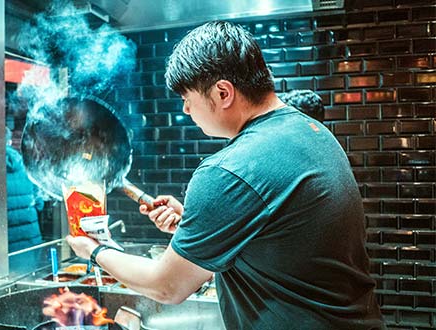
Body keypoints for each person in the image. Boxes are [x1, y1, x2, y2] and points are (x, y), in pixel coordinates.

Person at [66, 21, 384, 329]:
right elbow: (282, 236)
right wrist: (196, 221)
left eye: (187, 100)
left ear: (222, 93)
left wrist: (93, 251)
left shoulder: (228, 170)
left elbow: (167, 287)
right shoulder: (311, 130)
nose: (187, 111)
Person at [5, 127, 44, 253]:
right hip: (30, 237)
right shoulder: (25, 165)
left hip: (5, 240)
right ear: (9, 142)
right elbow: (39, 203)